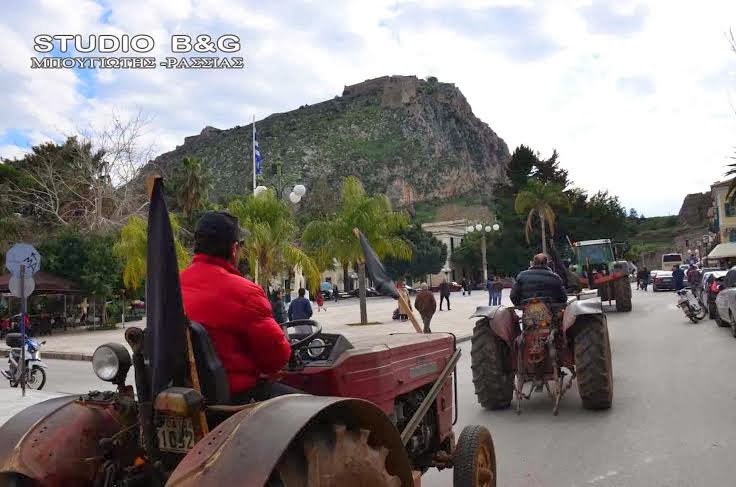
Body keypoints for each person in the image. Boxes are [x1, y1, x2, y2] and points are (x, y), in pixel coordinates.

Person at [180, 210, 296, 404]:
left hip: (187, 396)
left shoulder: (173, 287)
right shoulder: (245, 292)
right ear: (234, 249)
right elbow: (277, 359)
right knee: (325, 414)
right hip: (234, 399)